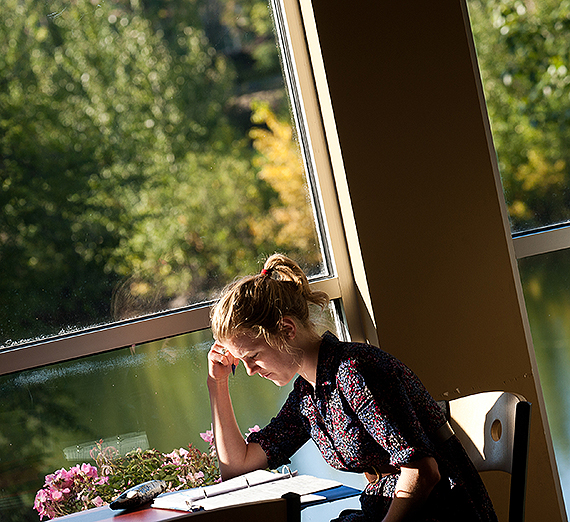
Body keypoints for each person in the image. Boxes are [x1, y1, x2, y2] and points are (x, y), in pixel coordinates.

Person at [207, 254, 498, 521]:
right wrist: (217, 384)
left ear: (286, 330)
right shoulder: (308, 396)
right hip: (384, 510)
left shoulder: (356, 372)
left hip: (441, 513)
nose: (249, 370)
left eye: (253, 356)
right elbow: (238, 468)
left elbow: (423, 472)